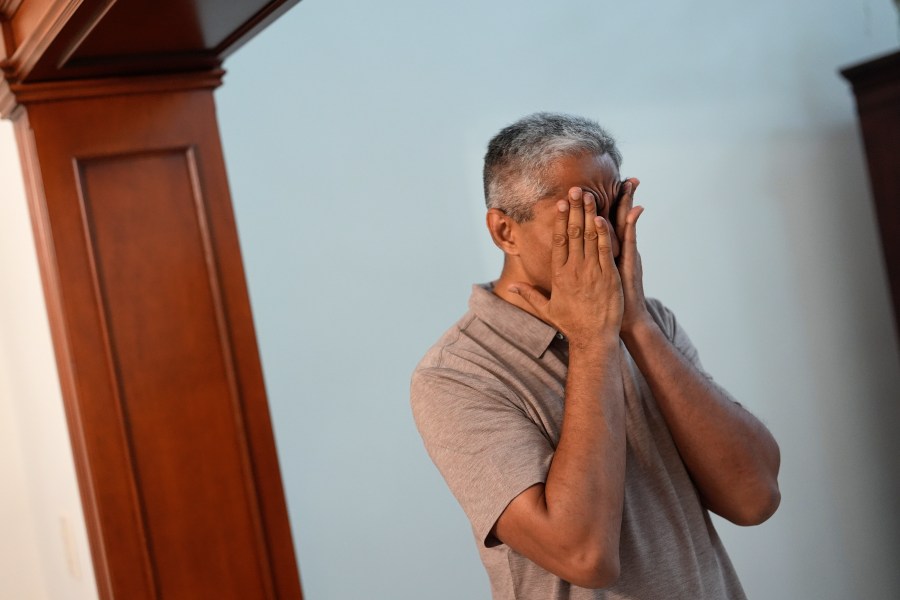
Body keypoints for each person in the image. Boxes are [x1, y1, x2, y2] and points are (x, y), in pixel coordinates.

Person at [410, 113, 781, 599]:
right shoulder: (457, 375)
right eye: (580, 215)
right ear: (505, 232)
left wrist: (636, 327)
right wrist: (592, 340)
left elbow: (754, 498)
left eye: (611, 211)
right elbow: (584, 555)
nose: (605, 235)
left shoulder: (650, 321)